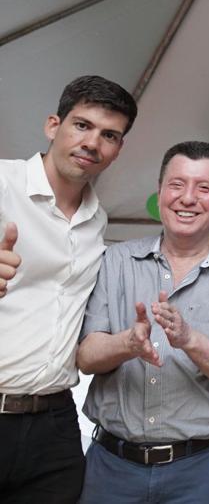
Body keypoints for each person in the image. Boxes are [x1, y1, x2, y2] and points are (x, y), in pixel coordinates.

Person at [76, 141, 209, 503]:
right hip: (112, 465)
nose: (187, 198)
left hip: (201, 469)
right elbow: (86, 356)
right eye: (176, 185)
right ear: (160, 192)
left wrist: (190, 340)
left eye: (203, 188)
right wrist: (127, 343)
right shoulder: (117, 259)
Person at [0, 75, 137, 502]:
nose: (92, 142)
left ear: (117, 150)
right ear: (52, 126)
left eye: (109, 135)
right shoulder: (2, 185)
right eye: (82, 125)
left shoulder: (98, 220)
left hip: (55, 423)